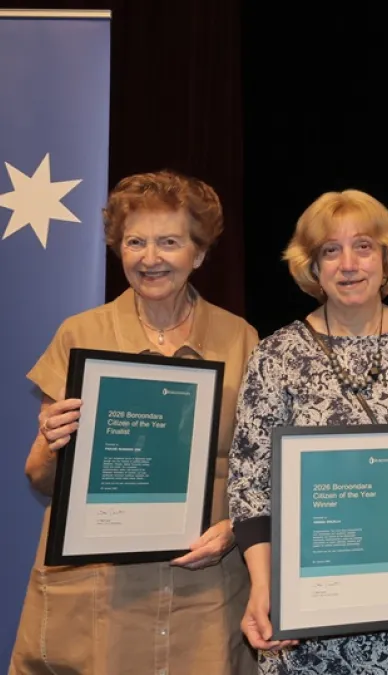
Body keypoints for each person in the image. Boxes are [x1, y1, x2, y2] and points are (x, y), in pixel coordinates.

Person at [8, 170, 259, 674]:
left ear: (199, 252)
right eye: (135, 242)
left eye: (169, 242)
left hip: (203, 585)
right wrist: (50, 443)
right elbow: (40, 476)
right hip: (102, 589)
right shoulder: (81, 334)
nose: (150, 258)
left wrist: (235, 527)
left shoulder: (242, 339)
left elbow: (259, 471)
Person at [227, 189, 388, 675]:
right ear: (312, 267)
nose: (348, 263)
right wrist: (263, 583)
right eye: (329, 251)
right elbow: (250, 484)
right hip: (304, 609)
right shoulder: (276, 356)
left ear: (386, 257)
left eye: (363, 246)